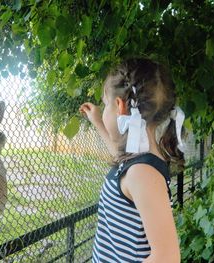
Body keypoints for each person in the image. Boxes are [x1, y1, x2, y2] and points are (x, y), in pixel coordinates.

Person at [79, 58, 184, 262]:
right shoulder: (139, 162)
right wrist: (98, 122)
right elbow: (121, 160)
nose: (105, 109)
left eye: (106, 104)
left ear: (119, 106)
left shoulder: (142, 173)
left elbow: (167, 257)